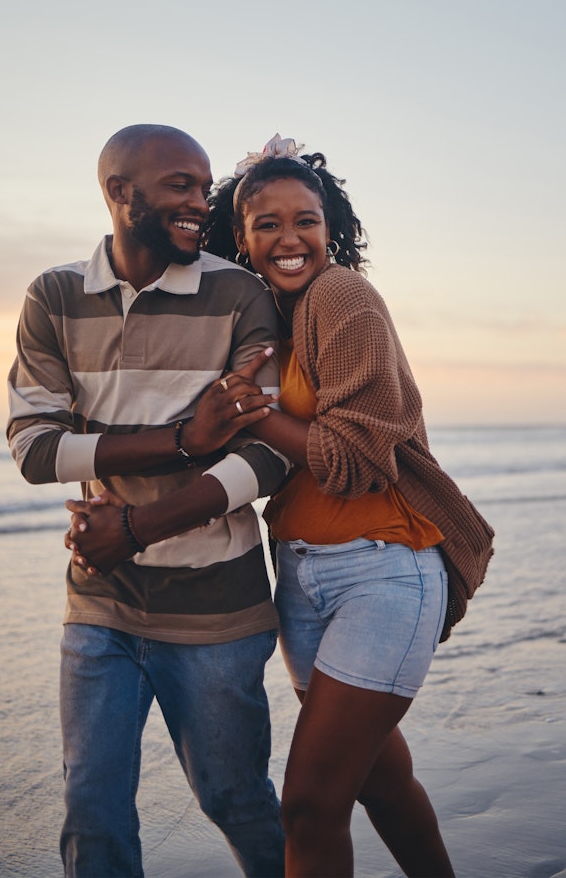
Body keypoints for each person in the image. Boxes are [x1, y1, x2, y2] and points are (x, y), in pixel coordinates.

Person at [198, 134, 496, 878]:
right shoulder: (263, 313)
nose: (289, 238)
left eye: (306, 220)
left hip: (382, 569)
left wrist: (250, 413)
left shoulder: (341, 295)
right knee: (377, 780)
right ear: (241, 238)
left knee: (307, 806)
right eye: (266, 224)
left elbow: (356, 460)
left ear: (331, 229)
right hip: (301, 577)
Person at [6, 124, 288, 878]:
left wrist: (134, 526)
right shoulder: (56, 296)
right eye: (180, 186)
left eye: (203, 186)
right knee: (91, 816)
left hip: (217, 605)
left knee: (234, 797)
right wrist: (184, 441)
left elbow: (267, 455)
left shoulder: (239, 293)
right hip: (100, 599)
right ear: (120, 191)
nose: (202, 202)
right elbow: (33, 448)